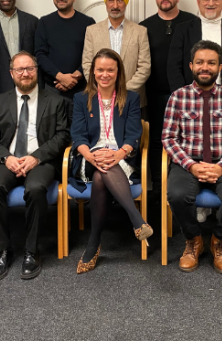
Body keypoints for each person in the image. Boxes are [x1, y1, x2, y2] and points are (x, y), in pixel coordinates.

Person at [163, 40, 222, 274]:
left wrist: (221, 167)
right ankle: (193, 239)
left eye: (211, 63)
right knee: (178, 195)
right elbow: (169, 139)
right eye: (200, 62)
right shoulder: (178, 97)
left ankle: (219, 240)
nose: (205, 67)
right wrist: (191, 166)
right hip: (187, 164)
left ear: (219, 67)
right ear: (191, 65)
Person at [0, 52, 70, 281]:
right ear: (11, 73)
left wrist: (36, 157)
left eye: (29, 68)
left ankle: (32, 251)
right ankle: (3, 250)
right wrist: (6, 157)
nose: (25, 73)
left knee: (35, 189)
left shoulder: (55, 100)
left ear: (36, 71)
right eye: (20, 69)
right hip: (8, 159)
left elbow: (62, 136)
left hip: (40, 160)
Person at [70, 48, 150, 273]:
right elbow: (78, 135)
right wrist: (91, 156)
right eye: (100, 70)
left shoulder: (131, 98)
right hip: (89, 156)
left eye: (110, 70)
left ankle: (93, 243)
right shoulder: (80, 99)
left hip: (121, 157)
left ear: (118, 72)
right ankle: (137, 220)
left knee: (101, 176)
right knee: (100, 170)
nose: (105, 74)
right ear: (93, 72)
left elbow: (134, 134)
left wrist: (117, 154)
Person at [140, 0, 197, 191]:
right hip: (155, 94)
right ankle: (158, 186)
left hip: (188, 95)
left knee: (186, 140)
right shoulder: (144, 27)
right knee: (156, 141)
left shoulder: (193, 22)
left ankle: (182, 185)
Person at [81, 0, 151, 107]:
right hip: (101, 98)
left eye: (120, 0)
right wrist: (104, 89)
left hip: (133, 99)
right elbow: (87, 65)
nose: (115, 5)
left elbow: (144, 67)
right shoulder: (91, 31)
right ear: (106, 3)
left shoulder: (140, 31)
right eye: (110, 0)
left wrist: (123, 91)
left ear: (126, 2)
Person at [35, 0, 96, 105]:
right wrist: (60, 77)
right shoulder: (44, 22)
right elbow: (40, 55)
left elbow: (92, 55)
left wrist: (76, 76)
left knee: (80, 125)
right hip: (52, 90)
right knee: (51, 125)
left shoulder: (88, 23)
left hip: (82, 89)